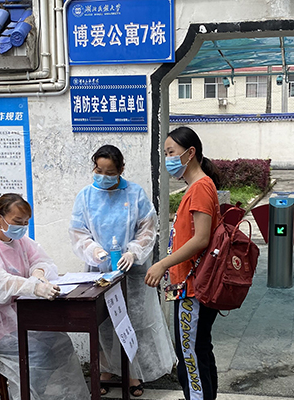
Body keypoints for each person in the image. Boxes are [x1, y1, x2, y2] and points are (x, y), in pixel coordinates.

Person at [69, 144, 176, 397]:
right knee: (104, 323)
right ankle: (106, 370)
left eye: (110, 172)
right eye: (99, 170)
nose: (103, 176)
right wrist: (95, 251)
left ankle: (133, 373)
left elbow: (147, 228)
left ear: (121, 169)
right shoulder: (85, 196)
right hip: (100, 271)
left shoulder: (135, 194)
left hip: (132, 271)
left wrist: (133, 252)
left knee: (134, 322)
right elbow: (78, 232)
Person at [0, 193, 90, 400]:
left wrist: (38, 273)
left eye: (26, 222)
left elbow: (42, 261)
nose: (22, 227)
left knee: (60, 343)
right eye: (17, 221)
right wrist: (32, 287)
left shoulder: (20, 241)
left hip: (20, 317)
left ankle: (52, 395)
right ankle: (27, 395)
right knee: (36, 355)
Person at [145, 126, 222, 400]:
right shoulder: (197, 187)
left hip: (194, 288)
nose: (168, 159)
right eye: (166, 153)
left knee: (190, 355)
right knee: (199, 350)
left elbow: (201, 238)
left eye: (171, 152)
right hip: (192, 285)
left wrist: (162, 264)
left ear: (190, 153)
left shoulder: (200, 187)